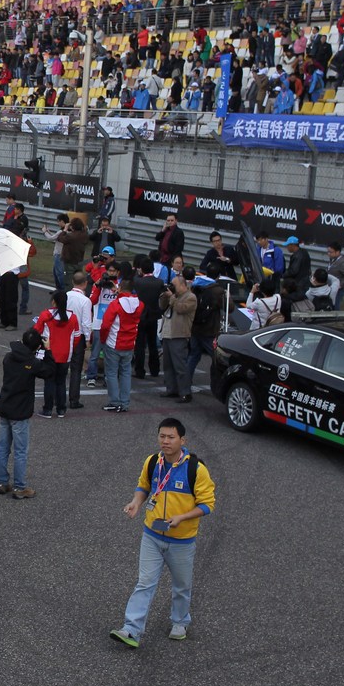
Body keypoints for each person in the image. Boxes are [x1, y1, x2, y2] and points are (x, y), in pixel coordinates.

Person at [109, 418, 216, 648]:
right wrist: (136, 502)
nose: (165, 441)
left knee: (181, 584)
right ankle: (131, 629)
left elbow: (208, 504)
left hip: (182, 541)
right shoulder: (152, 462)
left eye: (171, 437)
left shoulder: (196, 469)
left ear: (182, 440)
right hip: (152, 536)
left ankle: (180, 621)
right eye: (162, 436)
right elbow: (143, 486)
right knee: (145, 582)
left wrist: (182, 517)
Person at [0, 329, 55, 500]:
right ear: (36, 346)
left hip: (5, 406)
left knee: (2, 448)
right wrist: (48, 350)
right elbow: (50, 371)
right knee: (20, 451)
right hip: (20, 411)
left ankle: (1, 482)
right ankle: (20, 487)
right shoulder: (32, 363)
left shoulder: (8, 357)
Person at [33, 290, 80, 419]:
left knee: (49, 381)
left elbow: (37, 331)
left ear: (54, 301)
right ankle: (61, 409)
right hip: (66, 354)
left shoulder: (46, 315)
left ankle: (48, 409)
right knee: (61, 382)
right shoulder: (73, 317)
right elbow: (76, 337)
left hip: (50, 353)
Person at [101, 277, 144, 412]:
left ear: (120, 288)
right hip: (130, 342)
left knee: (112, 373)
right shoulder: (139, 304)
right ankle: (125, 402)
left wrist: (103, 340)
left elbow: (105, 325)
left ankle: (114, 401)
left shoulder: (116, 304)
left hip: (114, 342)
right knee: (126, 373)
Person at [158, 274, 197, 404]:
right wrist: (164, 295)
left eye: (174, 285)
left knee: (180, 366)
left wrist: (172, 297)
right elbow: (162, 307)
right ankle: (172, 389)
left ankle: (185, 392)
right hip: (167, 333)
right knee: (168, 366)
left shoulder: (190, 297)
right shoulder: (173, 296)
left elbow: (181, 309)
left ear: (182, 285)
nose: (172, 287)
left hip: (179, 335)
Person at [326, 242, 344, 310]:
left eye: (331, 252)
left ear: (337, 252)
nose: (328, 253)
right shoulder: (332, 259)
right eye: (328, 251)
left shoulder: (342, 262)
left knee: (335, 307)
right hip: (330, 288)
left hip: (337, 291)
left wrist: (340, 285)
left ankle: (336, 320)